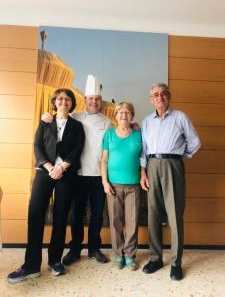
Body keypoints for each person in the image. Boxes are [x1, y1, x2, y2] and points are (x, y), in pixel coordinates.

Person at [7, 89, 85, 283]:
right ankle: (31, 265)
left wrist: (62, 167)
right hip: (44, 172)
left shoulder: (77, 125)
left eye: (68, 99)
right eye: (60, 99)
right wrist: (50, 166)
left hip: (66, 173)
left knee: (60, 217)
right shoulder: (45, 121)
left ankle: (55, 261)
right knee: (35, 215)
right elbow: (37, 146)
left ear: (72, 103)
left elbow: (77, 149)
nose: (63, 102)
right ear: (54, 102)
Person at [42, 75, 111, 264]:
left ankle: (95, 249)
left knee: (97, 214)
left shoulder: (107, 122)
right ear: (85, 100)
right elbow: (57, 119)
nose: (94, 102)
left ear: (100, 101)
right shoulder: (74, 117)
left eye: (97, 99)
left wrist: (134, 126)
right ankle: (74, 249)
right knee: (76, 214)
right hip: (77, 174)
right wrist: (45, 116)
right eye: (90, 99)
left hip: (98, 175)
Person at [140, 83, 201, 281]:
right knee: (154, 215)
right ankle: (156, 258)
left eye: (163, 94)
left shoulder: (180, 117)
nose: (160, 97)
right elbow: (143, 149)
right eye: (156, 95)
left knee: (174, 215)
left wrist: (178, 156)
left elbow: (195, 142)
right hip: (152, 165)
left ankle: (176, 263)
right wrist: (143, 172)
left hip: (173, 165)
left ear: (169, 96)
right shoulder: (147, 121)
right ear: (151, 99)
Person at [100, 102, 142, 270]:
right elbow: (103, 160)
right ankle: (118, 254)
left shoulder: (139, 133)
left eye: (127, 112)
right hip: (113, 185)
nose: (124, 115)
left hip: (134, 185)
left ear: (132, 115)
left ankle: (130, 254)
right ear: (115, 115)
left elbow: (144, 158)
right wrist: (104, 182)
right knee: (115, 220)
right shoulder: (109, 134)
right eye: (120, 112)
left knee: (132, 221)